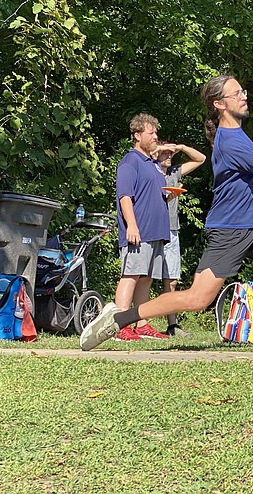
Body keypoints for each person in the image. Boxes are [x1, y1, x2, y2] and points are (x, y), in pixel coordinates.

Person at [81, 75, 253, 354]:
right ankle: (119, 318)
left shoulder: (239, 136)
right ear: (219, 104)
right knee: (196, 298)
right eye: (236, 93)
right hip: (228, 231)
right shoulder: (232, 141)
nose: (243, 96)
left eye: (243, 91)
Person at [111, 113, 172, 342]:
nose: (155, 136)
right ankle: (119, 324)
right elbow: (125, 196)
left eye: (156, 131)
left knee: (146, 279)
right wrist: (132, 226)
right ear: (137, 135)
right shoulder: (130, 161)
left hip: (156, 232)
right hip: (139, 232)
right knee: (131, 275)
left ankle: (142, 324)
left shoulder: (153, 165)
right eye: (151, 132)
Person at [154, 141, 207, 336]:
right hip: (152, 230)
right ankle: (139, 323)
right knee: (145, 278)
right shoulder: (149, 170)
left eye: (171, 154)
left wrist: (182, 147)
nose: (169, 156)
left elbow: (201, 159)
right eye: (165, 153)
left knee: (172, 280)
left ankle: (172, 325)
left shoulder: (174, 173)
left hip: (172, 230)